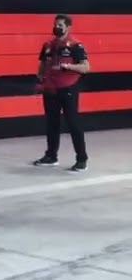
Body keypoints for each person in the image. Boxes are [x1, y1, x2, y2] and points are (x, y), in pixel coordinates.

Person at [35, 14, 91, 171]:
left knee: (73, 124)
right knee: (52, 124)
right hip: (50, 89)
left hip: (68, 89)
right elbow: (42, 65)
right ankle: (51, 156)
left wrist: (67, 67)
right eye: (55, 24)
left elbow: (86, 67)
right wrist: (40, 80)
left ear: (68, 27)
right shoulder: (47, 45)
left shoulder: (75, 46)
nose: (57, 27)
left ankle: (81, 159)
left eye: (60, 25)